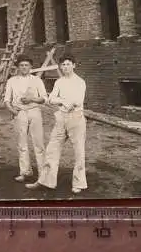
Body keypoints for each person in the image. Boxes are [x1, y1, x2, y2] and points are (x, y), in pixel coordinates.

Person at [26, 54, 88, 194]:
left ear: (74, 65)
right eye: (63, 65)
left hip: (76, 119)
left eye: (68, 64)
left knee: (78, 152)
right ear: (60, 66)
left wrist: (62, 101)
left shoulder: (80, 82)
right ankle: (46, 181)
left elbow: (76, 102)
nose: (65, 67)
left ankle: (79, 183)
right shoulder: (59, 82)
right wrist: (62, 101)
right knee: (51, 150)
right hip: (61, 118)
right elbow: (50, 99)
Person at [3, 55, 48, 182]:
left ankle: (43, 173)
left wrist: (32, 99)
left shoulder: (37, 80)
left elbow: (44, 98)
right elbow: (7, 100)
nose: (24, 67)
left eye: (26, 65)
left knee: (38, 143)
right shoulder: (12, 81)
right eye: (21, 65)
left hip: (34, 111)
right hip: (20, 113)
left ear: (31, 67)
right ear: (18, 67)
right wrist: (13, 111)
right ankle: (25, 171)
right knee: (22, 143)